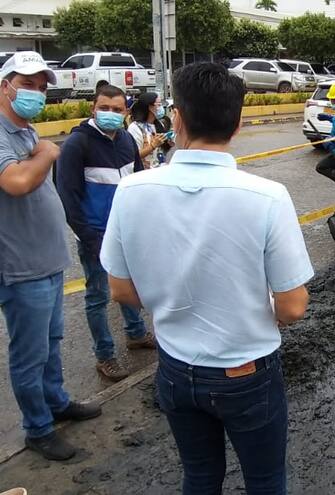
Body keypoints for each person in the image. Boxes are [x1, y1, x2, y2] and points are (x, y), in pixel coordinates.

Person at [101, 62, 313, 493]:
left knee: (199, 475)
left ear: (176, 118)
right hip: (246, 371)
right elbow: (292, 306)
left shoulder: (132, 191)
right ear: (236, 124)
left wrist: (170, 297)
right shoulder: (267, 197)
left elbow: (121, 289)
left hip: (176, 371)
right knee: (266, 479)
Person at [0, 51, 101, 461]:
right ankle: (38, 429)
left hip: (47, 260)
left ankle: (56, 402)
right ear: (5, 85)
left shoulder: (25, 131)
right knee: (30, 353)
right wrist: (47, 153)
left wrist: (39, 148)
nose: (37, 93)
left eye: (42, 87)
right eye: (27, 85)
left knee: (51, 342)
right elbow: (18, 182)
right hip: (21, 266)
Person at [55, 84, 155, 382]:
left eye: (117, 109)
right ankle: (105, 355)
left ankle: (136, 333)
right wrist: (91, 239)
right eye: (104, 108)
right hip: (95, 236)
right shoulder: (76, 145)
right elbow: (68, 199)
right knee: (98, 296)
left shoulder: (124, 139)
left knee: (129, 286)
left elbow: (137, 183)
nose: (110, 114)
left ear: (125, 112)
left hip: (124, 232)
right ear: (93, 109)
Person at [127, 92, 167, 169]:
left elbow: (161, 151)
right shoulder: (135, 127)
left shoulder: (159, 125)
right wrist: (152, 146)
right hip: (142, 173)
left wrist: (168, 143)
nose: (161, 108)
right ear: (149, 107)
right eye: (158, 105)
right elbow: (134, 155)